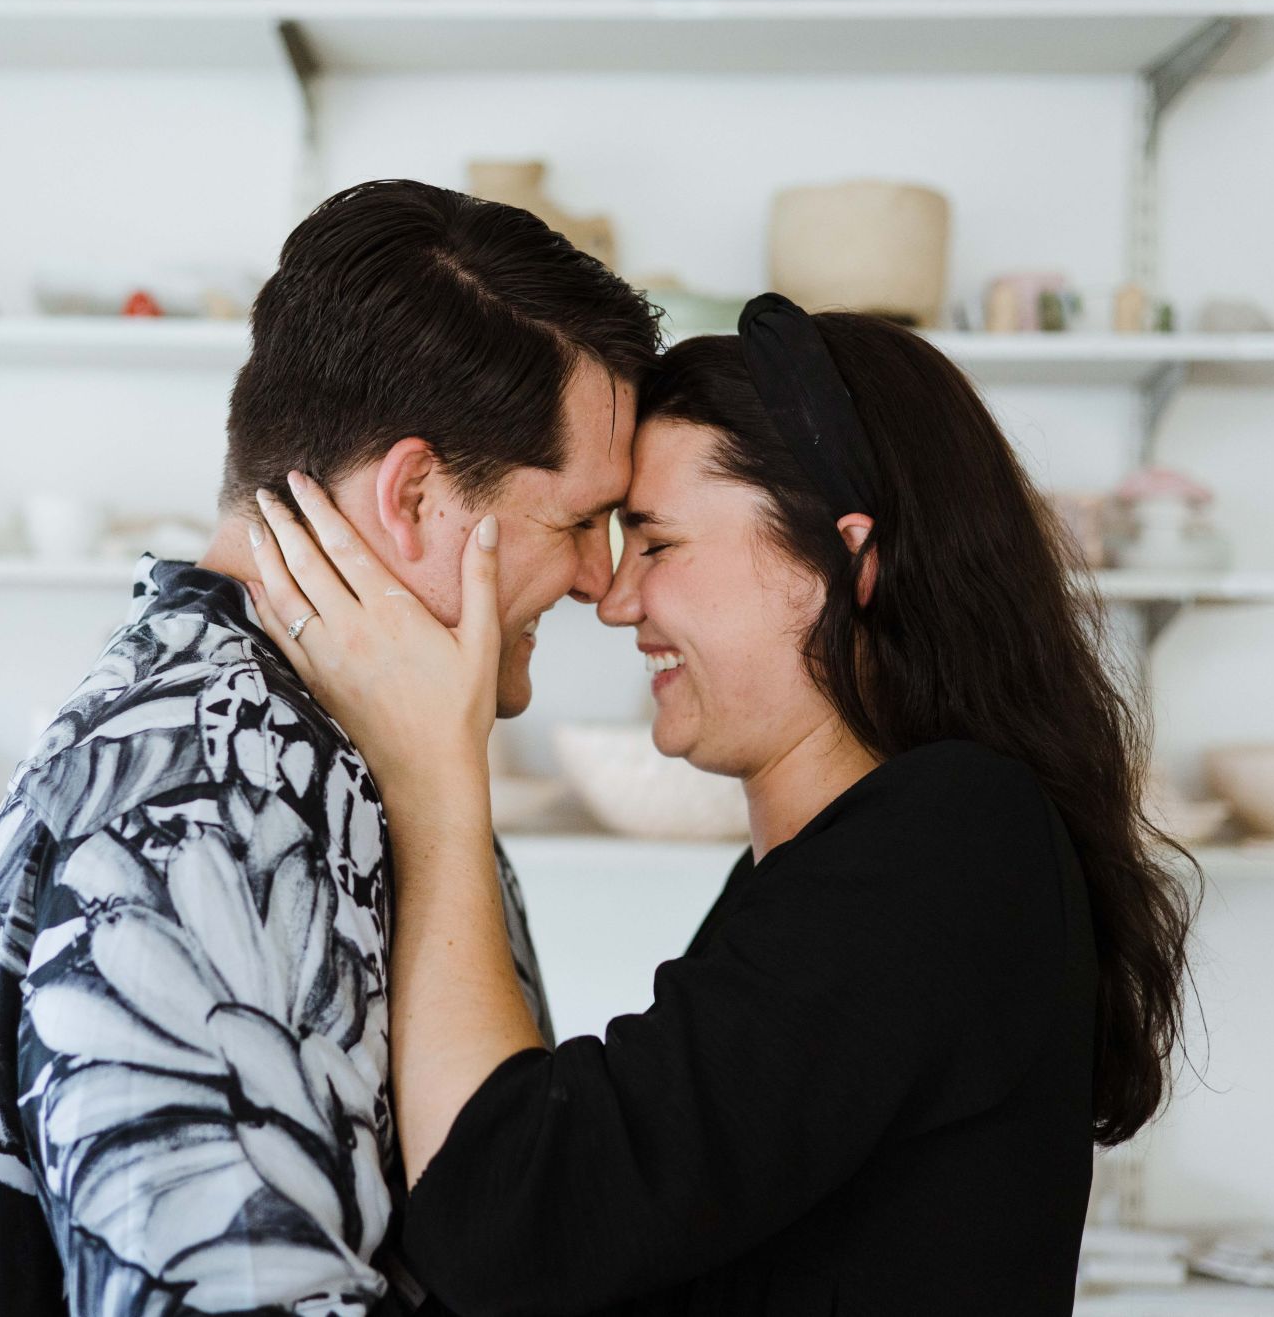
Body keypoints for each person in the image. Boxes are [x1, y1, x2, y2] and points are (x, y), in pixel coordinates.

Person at [242, 293, 1199, 1316]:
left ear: (840, 563)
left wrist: (431, 770)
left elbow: (515, 1224)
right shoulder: (844, 863)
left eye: (654, 542)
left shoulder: (946, 841)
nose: (613, 599)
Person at [0, 178, 659, 1317]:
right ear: (414, 493)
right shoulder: (214, 793)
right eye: (575, 521)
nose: (602, 580)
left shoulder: (326, 744)